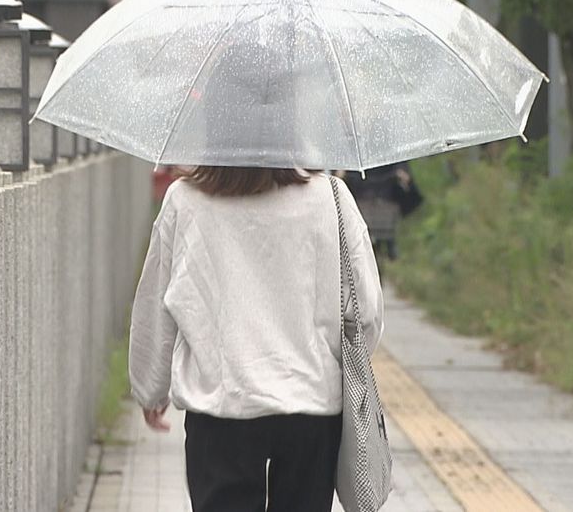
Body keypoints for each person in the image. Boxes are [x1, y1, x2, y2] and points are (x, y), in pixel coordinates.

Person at [128, 166, 385, 512]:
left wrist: (150, 387)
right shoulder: (332, 198)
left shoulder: (185, 200)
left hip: (222, 409)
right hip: (310, 408)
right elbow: (365, 312)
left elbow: (156, 304)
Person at [339, 162, 422, 260]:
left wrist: (402, 174)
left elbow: (402, 170)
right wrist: (341, 173)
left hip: (385, 192)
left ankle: (389, 241)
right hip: (361, 193)